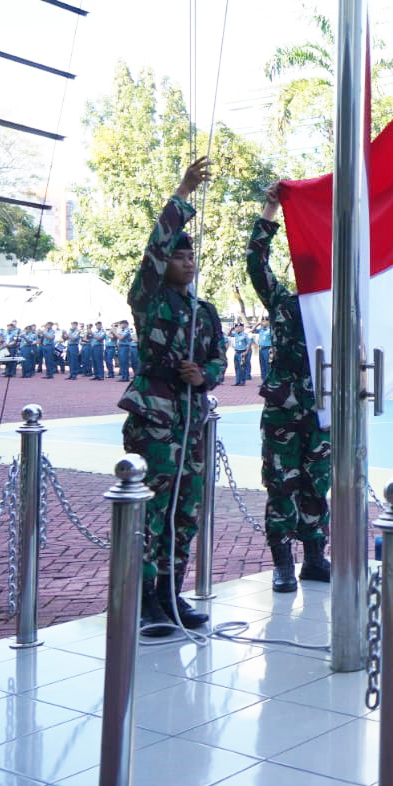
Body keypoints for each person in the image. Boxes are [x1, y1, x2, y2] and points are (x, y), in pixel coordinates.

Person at [119, 156, 226, 637]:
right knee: (153, 513)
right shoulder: (149, 297)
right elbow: (155, 248)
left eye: (191, 258)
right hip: (156, 418)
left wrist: (203, 375)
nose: (188, 263)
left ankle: (170, 595)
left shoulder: (204, 311)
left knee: (185, 515)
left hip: (191, 420)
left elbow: (220, 362)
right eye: (181, 257)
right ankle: (144, 602)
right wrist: (184, 190)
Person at [249, 184, 333, 592]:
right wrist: (270, 208)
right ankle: (282, 563)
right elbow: (255, 263)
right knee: (281, 483)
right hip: (284, 406)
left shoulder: (338, 309)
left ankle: (315, 558)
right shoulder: (282, 303)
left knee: (318, 482)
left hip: (322, 409)